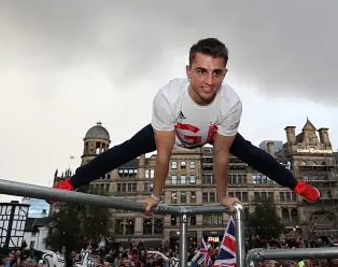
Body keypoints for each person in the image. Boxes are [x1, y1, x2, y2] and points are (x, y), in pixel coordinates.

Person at [50, 38, 320, 212]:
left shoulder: (231, 103)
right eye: (202, 71)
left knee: (253, 153)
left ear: (225, 73)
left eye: (217, 73)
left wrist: (223, 197)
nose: (209, 81)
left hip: (212, 133)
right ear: (188, 71)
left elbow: (221, 155)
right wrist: (155, 196)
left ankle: (297, 185)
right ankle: (70, 183)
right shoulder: (168, 98)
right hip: (172, 130)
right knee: (124, 151)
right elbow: (164, 155)